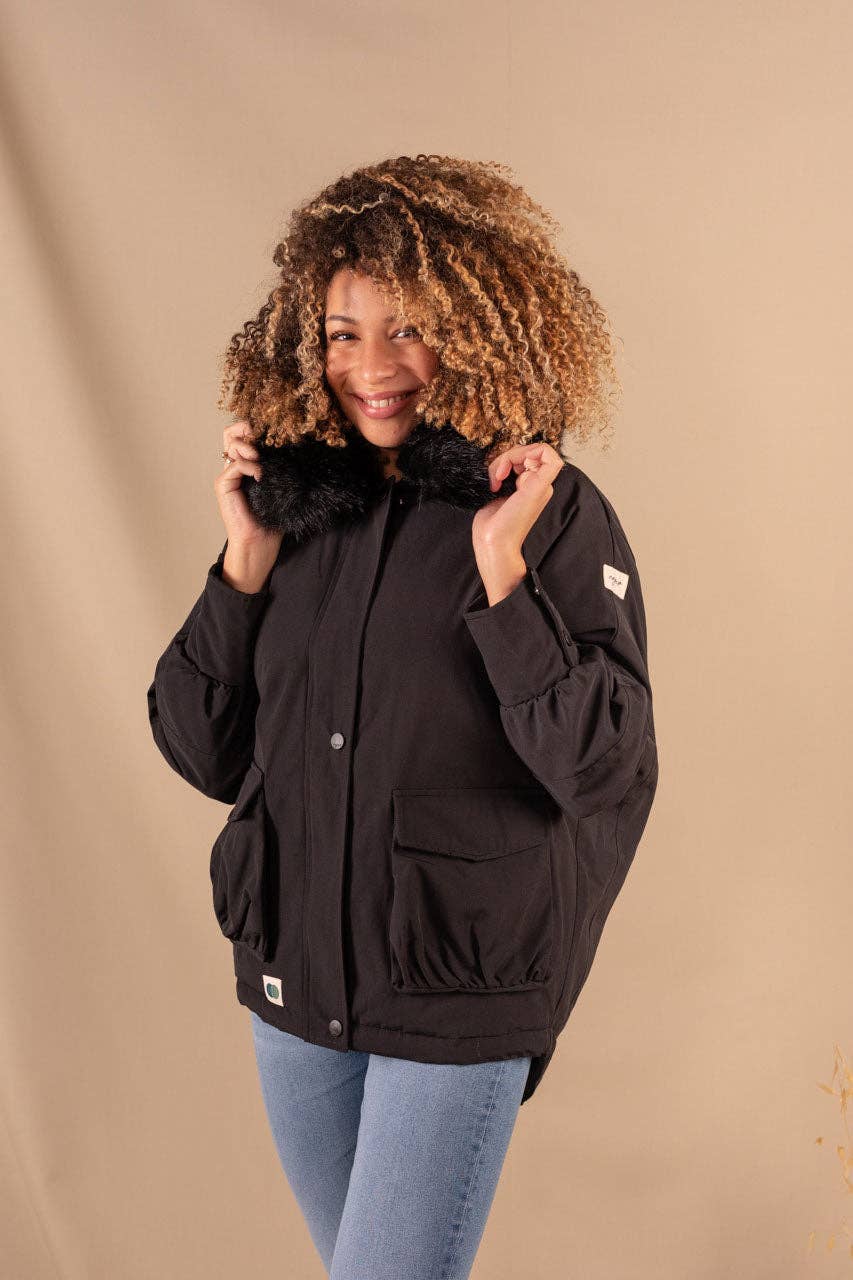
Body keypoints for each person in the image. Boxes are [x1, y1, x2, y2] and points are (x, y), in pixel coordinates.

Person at [147, 154, 659, 1278]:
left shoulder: (547, 511)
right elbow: (201, 748)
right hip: (294, 985)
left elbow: (604, 766)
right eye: (342, 334)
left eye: (409, 328)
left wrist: (501, 574)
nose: (373, 368)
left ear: (475, 329)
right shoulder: (299, 509)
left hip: (454, 986)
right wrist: (241, 566)